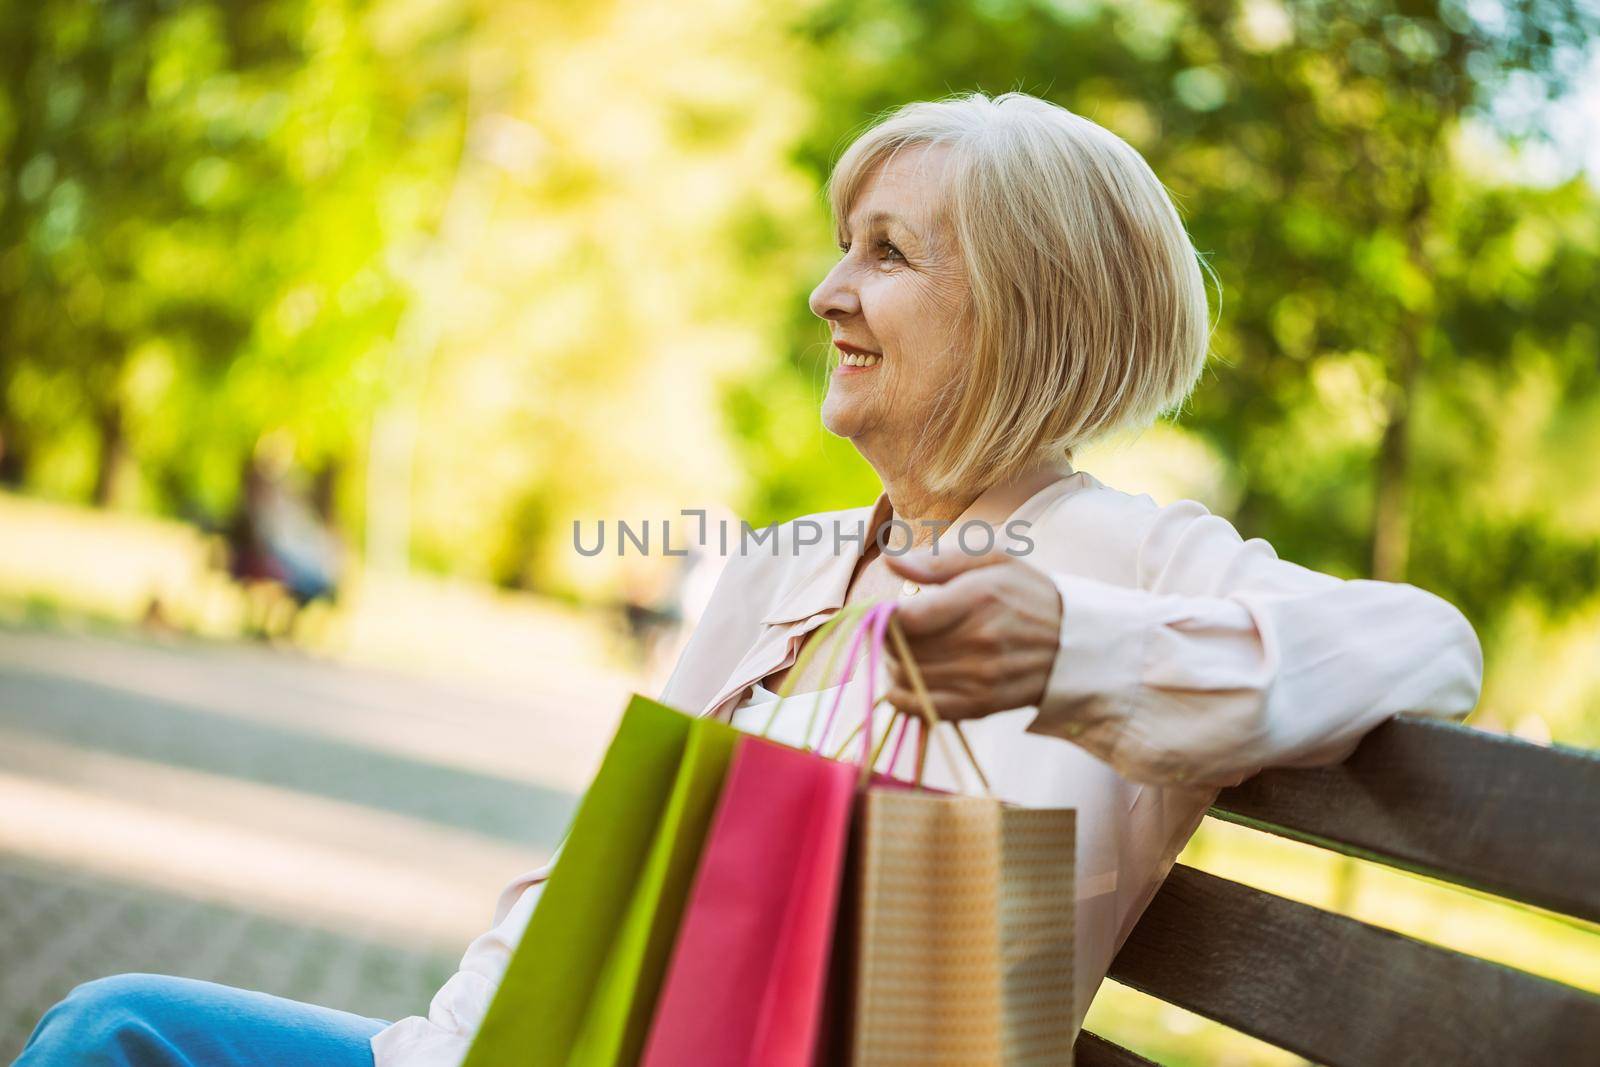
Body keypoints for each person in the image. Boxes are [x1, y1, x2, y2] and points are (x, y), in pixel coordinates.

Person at [18, 91, 1482, 1066]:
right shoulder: (783, 569)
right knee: (120, 1031)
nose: (826, 293)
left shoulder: (1125, 555)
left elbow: (1428, 646)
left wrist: (1074, 653)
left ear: (1025, 312)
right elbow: (592, 882)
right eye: (843, 248)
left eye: (888, 255)